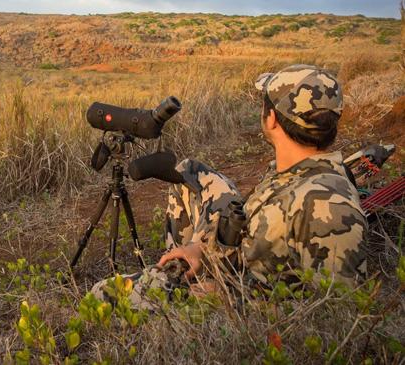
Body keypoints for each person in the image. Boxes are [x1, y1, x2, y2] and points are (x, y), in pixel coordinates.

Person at [91, 64, 367, 306]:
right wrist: (202, 250)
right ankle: (179, 260)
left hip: (228, 296)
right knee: (191, 173)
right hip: (223, 260)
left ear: (271, 118)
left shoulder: (328, 207)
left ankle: (168, 284)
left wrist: (230, 300)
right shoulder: (297, 171)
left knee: (101, 295)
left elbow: (336, 312)